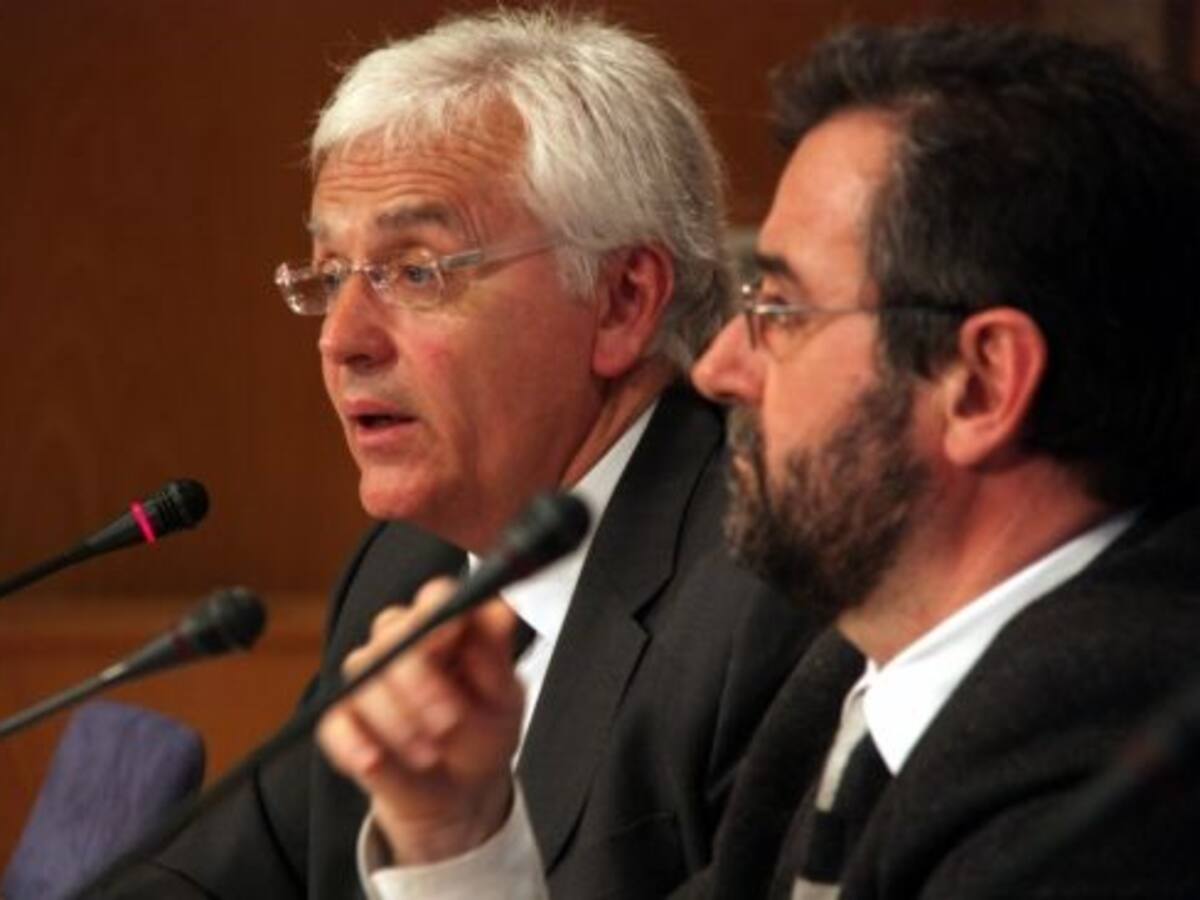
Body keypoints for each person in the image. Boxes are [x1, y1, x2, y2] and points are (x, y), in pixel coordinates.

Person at [315, 20, 1200, 900]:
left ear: (979, 384)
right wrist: (454, 834)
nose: (719, 365)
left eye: (781, 310)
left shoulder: (1114, 779)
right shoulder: (843, 692)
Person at [95, 9, 819, 900]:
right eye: (331, 275)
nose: (342, 340)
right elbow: (218, 874)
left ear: (623, 301)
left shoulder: (766, 600)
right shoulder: (407, 569)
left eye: (415, 271)